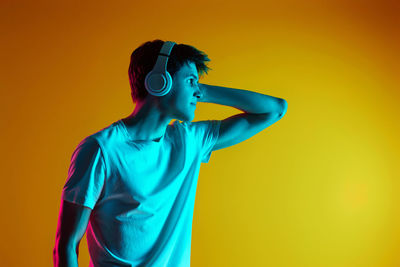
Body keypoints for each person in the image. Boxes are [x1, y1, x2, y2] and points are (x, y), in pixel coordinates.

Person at [53, 39, 288, 267]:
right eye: (190, 81)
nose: (196, 92)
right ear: (158, 81)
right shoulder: (101, 150)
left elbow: (275, 110)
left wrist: (203, 91)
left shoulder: (189, 141)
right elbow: (66, 244)